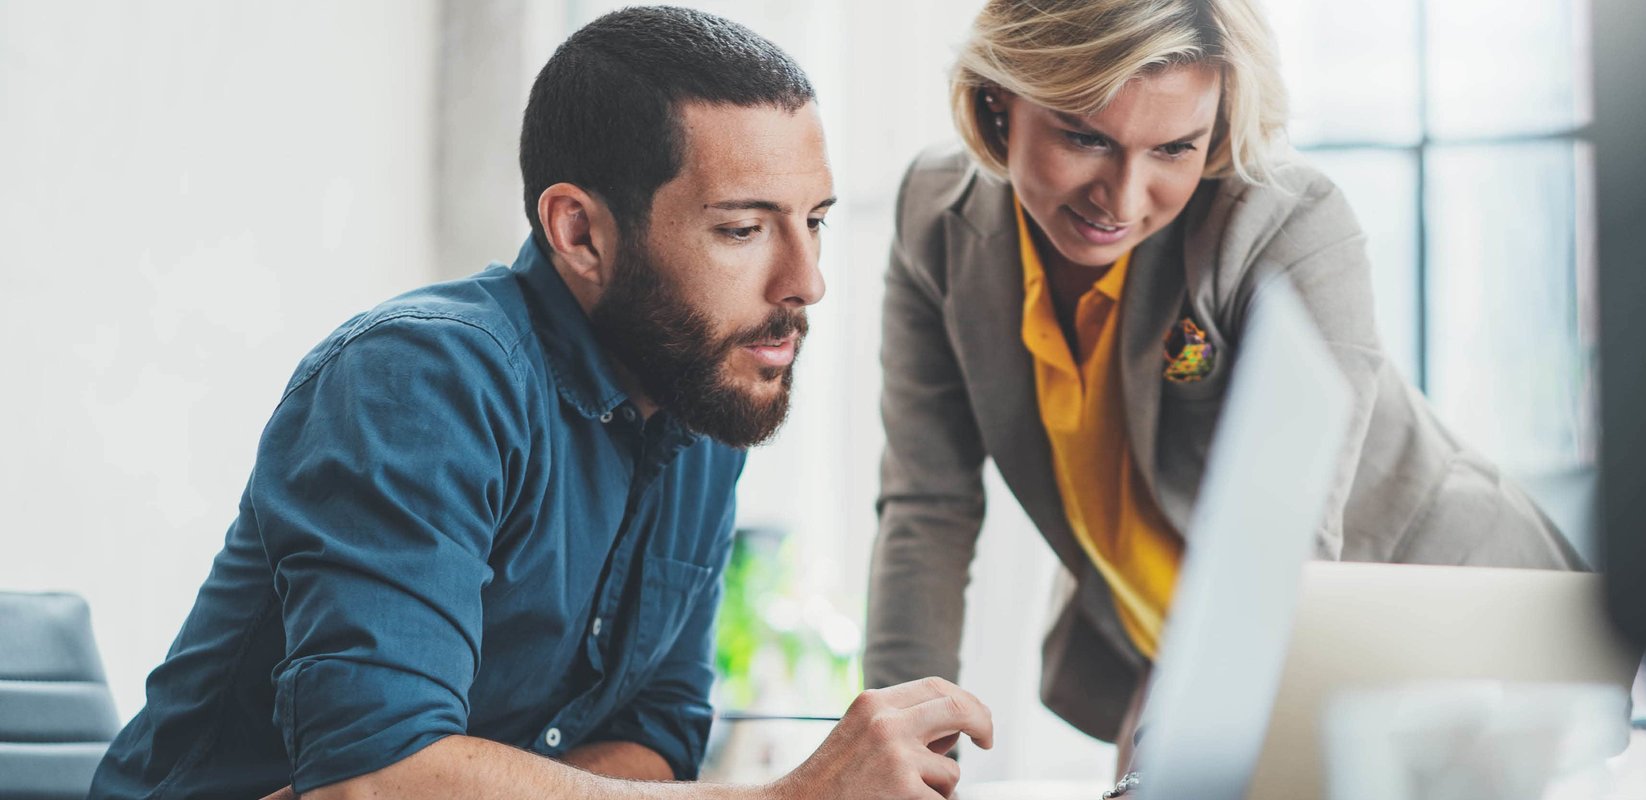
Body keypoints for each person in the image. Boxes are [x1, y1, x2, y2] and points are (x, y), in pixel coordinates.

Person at [89, 8, 989, 800]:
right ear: (579, 232)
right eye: (743, 229)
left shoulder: (700, 396)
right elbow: (374, 783)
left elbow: (658, 739)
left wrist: (458, 783)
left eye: (816, 221)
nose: (807, 281)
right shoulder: (418, 381)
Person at [863, 0, 1582, 772]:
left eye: (1174, 148)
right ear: (998, 100)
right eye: (1085, 137)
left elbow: (1285, 552)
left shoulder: (1285, 222)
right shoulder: (935, 217)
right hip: (1187, 645)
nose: (1124, 197)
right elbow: (926, 510)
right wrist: (896, 758)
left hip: (1451, 624)